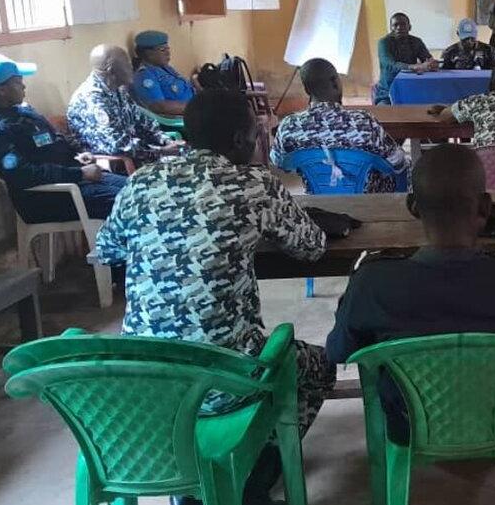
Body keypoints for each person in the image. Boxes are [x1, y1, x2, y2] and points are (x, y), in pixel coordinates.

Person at [96, 90, 335, 505]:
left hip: (147, 379)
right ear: (241, 139)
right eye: (255, 135)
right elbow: (312, 247)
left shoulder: (141, 182)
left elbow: (108, 248)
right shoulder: (255, 184)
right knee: (320, 367)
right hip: (228, 378)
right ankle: (252, 477)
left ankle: (196, 482)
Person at [325, 143, 495, 443]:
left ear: (413, 207)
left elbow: (338, 351)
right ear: (486, 208)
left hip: (409, 426)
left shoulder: (372, 282)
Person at [0, 54, 126, 223]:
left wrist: (78, 153)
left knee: (142, 188)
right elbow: (22, 174)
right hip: (49, 197)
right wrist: (79, 173)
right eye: (18, 82)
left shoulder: (23, 112)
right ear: (2, 90)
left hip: (74, 178)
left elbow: (53, 138)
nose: (24, 86)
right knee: (134, 201)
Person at [271, 58, 410, 192]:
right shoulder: (364, 122)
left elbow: (279, 162)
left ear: (307, 90)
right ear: (335, 83)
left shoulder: (288, 126)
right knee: (409, 170)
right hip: (368, 200)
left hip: (318, 200)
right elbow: (398, 162)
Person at [67, 45, 182, 166]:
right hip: (116, 164)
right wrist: (162, 151)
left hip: (142, 154)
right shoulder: (93, 99)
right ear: (111, 70)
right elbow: (118, 146)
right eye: (127, 64)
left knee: (187, 157)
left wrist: (167, 141)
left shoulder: (117, 89)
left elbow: (145, 123)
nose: (132, 67)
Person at [374, 12, 438, 104]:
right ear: (390, 28)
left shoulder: (416, 41)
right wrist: (415, 67)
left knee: (430, 105)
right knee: (385, 111)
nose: (399, 27)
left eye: (403, 24)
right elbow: (390, 65)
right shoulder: (384, 42)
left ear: (409, 27)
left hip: (411, 88)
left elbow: (427, 59)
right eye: (395, 25)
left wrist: (431, 64)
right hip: (387, 92)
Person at [131, 30, 195, 117]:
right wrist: (196, 108)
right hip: (182, 118)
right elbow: (159, 106)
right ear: (148, 53)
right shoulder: (144, 76)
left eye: (168, 49)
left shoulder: (166, 68)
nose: (168, 53)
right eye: (162, 50)